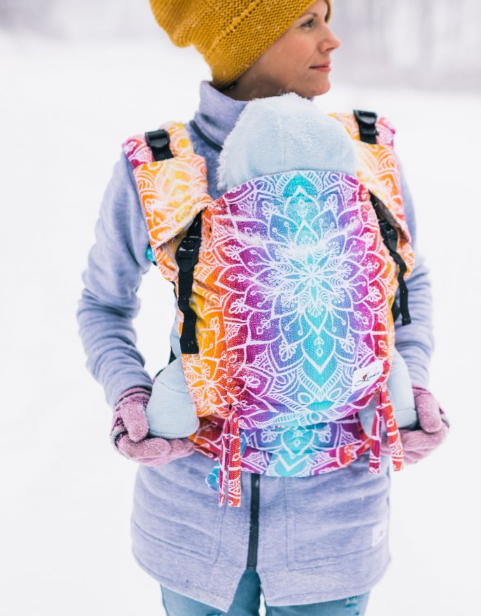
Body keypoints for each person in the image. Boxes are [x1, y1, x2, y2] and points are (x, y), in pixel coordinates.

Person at [78, 0, 449, 616]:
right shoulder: (162, 167)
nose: (332, 40)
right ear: (245, 40)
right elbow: (103, 304)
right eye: (308, 22)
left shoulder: (365, 151)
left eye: (327, 19)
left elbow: (409, 281)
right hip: (193, 517)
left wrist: (415, 380)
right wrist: (131, 395)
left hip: (336, 524)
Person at [145, 92, 418, 443]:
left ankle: (171, 421)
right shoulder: (368, 190)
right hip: (359, 384)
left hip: (235, 409)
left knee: (191, 340)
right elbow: (403, 275)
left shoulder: (181, 192)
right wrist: (416, 387)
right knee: (385, 359)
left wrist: (136, 403)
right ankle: (390, 410)